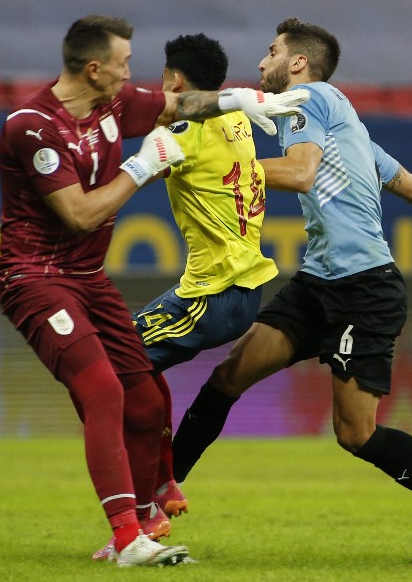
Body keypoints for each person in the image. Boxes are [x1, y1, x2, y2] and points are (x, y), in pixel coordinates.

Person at [0, 14, 308, 567]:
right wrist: (140, 168)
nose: (130, 74)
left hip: (90, 281)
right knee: (106, 392)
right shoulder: (32, 126)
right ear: (94, 69)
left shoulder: (111, 105)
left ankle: (154, 503)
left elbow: (179, 106)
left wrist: (240, 101)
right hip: (37, 280)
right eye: (123, 65)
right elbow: (80, 215)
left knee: (139, 394)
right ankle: (128, 536)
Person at [171, 17, 412, 519]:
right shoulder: (344, 120)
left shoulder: (310, 100)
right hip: (317, 282)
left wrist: (223, 172)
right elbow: (410, 183)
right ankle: (159, 497)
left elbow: (302, 175)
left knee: (356, 434)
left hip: (365, 289)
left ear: (298, 62)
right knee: (226, 379)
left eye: (271, 51)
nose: (262, 63)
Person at [132, 33, 279, 528]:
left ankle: (147, 508)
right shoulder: (237, 120)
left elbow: (133, 173)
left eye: (163, 79)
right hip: (246, 290)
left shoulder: (184, 131)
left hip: (211, 293)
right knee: (135, 363)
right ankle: (162, 481)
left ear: (174, 80)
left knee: (116, 363)